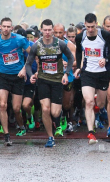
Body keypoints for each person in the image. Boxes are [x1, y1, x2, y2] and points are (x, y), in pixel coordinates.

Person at [26, 19, 74, 147]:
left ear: (52, 30)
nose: (47, 32)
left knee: (55, 112)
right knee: (45, 109)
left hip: (57, 81)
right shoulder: (37, 45)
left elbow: (71, 58)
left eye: (49, 30)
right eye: (45, 30)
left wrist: (66, 73)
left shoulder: (60, 44)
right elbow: (28, 64)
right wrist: (31, 76)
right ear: (41, 31)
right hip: (43, 81)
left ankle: (60, 115)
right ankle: (50, 137)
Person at [74, 13, 110, 145]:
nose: (90, 29)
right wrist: (79, 66)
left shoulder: (104, 35)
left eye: (92, 26)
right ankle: (91, 133)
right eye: (88, 27)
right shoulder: (80, 37)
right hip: (87, 73)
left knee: (100, 104)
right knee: (88, 102)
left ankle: (98, 106)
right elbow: (78, 51)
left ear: (96, 24)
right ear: (85, 25)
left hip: (103, 73)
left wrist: (105, 59)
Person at [0, 17, 31, 146]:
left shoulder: (19, 40)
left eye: (8, 26)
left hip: (17, 76)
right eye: (4, 26)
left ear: (11, 28)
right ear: (0, 27)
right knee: (2, 105)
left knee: (17, 108)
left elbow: (31, 55)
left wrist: (24, 69)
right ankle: (7, 135)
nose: (6, 29)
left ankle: (21, 126)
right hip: (3, 75)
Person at [53, 23, 76, 133]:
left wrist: (68, 63)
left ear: (64, 33)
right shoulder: (48, 44)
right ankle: (58, 123)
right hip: (53, 77)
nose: (58, 35)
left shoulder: (69, 45)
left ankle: (67, 118)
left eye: (60, 33)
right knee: (55, 102)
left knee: (66, 104)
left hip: (68, 76)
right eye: (56, 32)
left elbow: (76, 61)